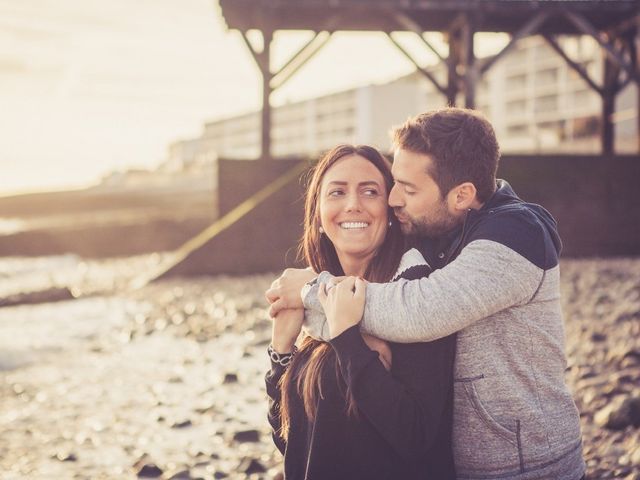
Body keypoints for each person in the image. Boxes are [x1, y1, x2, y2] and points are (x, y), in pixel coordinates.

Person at [266, 108, 586, 480]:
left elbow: (420, 312)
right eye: (394, 183)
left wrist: (312, 298)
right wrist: (282, 350)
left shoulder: (514, 236)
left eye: (404, 189)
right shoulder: (441, 237)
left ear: (462, 195)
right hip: (475, 464)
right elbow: (293, 437)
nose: (393, 199)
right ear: (317, 212)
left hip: (531, 467)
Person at [266, 144, 456, 479]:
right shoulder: (313, 303)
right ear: (320, 217)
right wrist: (281, 351)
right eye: (337, 192)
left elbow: (416, 437)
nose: (353, 204)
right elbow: (295, 445)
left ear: (390, 210)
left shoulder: (414, 295)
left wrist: (347, 340)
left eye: (370, 191)